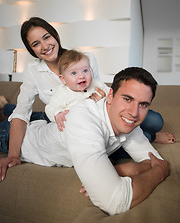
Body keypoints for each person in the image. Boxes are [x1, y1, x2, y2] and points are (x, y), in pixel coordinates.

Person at [2, 67, 170, 215]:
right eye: (127, 99)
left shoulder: (128, 122)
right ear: (110, 96)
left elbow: (155, 160)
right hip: (13, 137)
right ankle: (4, 106)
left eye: (143, 105)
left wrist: (126, 168)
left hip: (46, 127)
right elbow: (115, 201)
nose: (134, 113)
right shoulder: (84, 119)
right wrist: (159, 172)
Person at [0, 17, 104, 177]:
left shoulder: (85, 59)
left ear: (55, 35)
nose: (45, 46)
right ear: (31, 50)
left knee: (153, 122)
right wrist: (13, 155)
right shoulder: (33, 70)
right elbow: (22, 113)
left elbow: (96, 93)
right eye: (35, 44)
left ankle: (5, 105)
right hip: (55, 120)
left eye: (46, 37)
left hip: (73, 119)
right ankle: (6, 106)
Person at [45, 50, 108, 131]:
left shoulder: (96, 84)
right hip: (75, 126)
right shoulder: (62, 92)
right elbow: (51, 107)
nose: (81, 76)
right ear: (63, 79)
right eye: (74, 73)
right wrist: (58, 114)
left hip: (98, 124)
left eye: (85, 71)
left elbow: (112, 94)